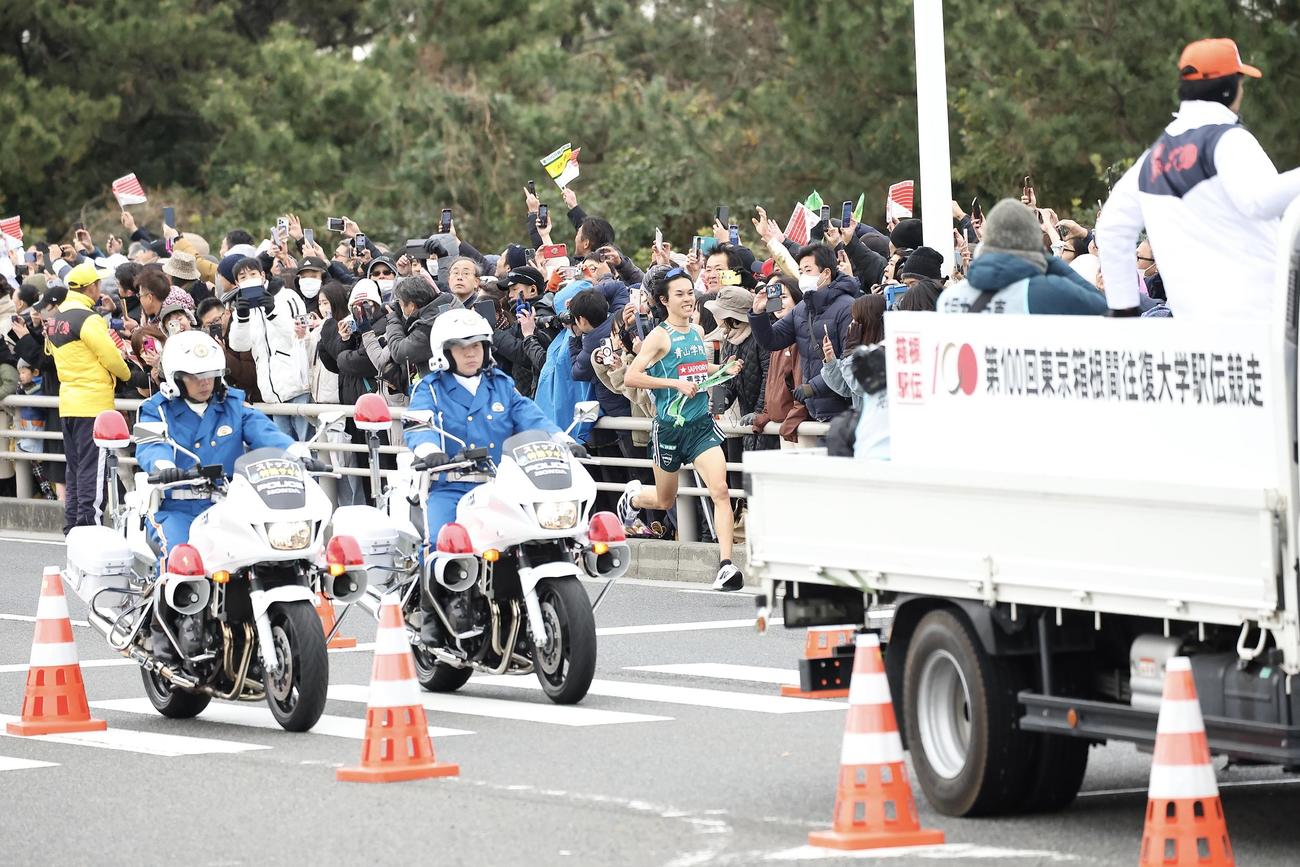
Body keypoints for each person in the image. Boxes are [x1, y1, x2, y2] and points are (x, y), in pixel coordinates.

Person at [1097, 37, 1300, 319]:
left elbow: (1111, 226)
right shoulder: (1228, 140)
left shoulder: (1153, 157)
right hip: (1262, 326)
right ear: (1230, 88)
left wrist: (1124, 312)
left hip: (1194, 334)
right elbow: (1260, 201)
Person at [405, 308, 583, 553]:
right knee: (440, 544)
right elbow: (418, 423)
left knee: (536, 539)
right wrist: (429, 450)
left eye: (477, 346)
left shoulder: (501, 384)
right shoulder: (430, 389)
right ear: (445, 352)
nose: (471, 353)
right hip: (451, 486)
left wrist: (564, 440)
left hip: (500, 486)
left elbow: (530, 416)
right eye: (461, 347)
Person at [620, 268, 745, 591]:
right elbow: (633, 377)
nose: (689, 299)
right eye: (680, 294)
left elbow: (697, 370)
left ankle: (726, 566)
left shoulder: (697, 330)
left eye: (690, 292)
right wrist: (671, 383)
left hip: (701, 427)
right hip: (670, 428)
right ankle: (634, 498)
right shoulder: (659, 336)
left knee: (720, 490)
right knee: (665, 500)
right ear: (664, 300)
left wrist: (724, 369)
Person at [135, 331, 298, 552]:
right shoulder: (156, 410)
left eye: (210, 374)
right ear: (177, 378)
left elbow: (264, 431)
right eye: (195, 376)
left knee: (270, 551)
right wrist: (164, 467)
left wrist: (295, 452)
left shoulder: (232, 404)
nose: (205, 383)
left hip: (232, 505)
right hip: (179, 508)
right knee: (181, 555)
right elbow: (151, 446)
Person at [47, 262, 131, 533]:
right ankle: (89, 526)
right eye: (98, 284)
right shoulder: (88, 318)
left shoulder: (57, 318)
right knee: (93, 470)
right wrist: (127, 373)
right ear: (91, 287)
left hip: (68, 402)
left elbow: (50, 354)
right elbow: (110, 357)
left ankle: (72, 525)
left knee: (74, 469)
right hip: (93, 403)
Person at [937, 200, 1108, 315]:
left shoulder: (949, 299)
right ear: (1034, 241)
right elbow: (1103, 307)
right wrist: (1047, 259)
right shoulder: (1049, 291)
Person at [227, 256, 312, 437]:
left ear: (263, 275)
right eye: (243, 277)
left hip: (298, 386)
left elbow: (299, 336)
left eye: (253, 274)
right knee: (283, 450)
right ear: (236, 283)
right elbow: (239, 345)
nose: (249, 279)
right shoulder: (241, 308)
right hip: (271, 393)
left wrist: (272, 312)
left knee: (308, 447)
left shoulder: (288, 297)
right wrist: (242, 318)